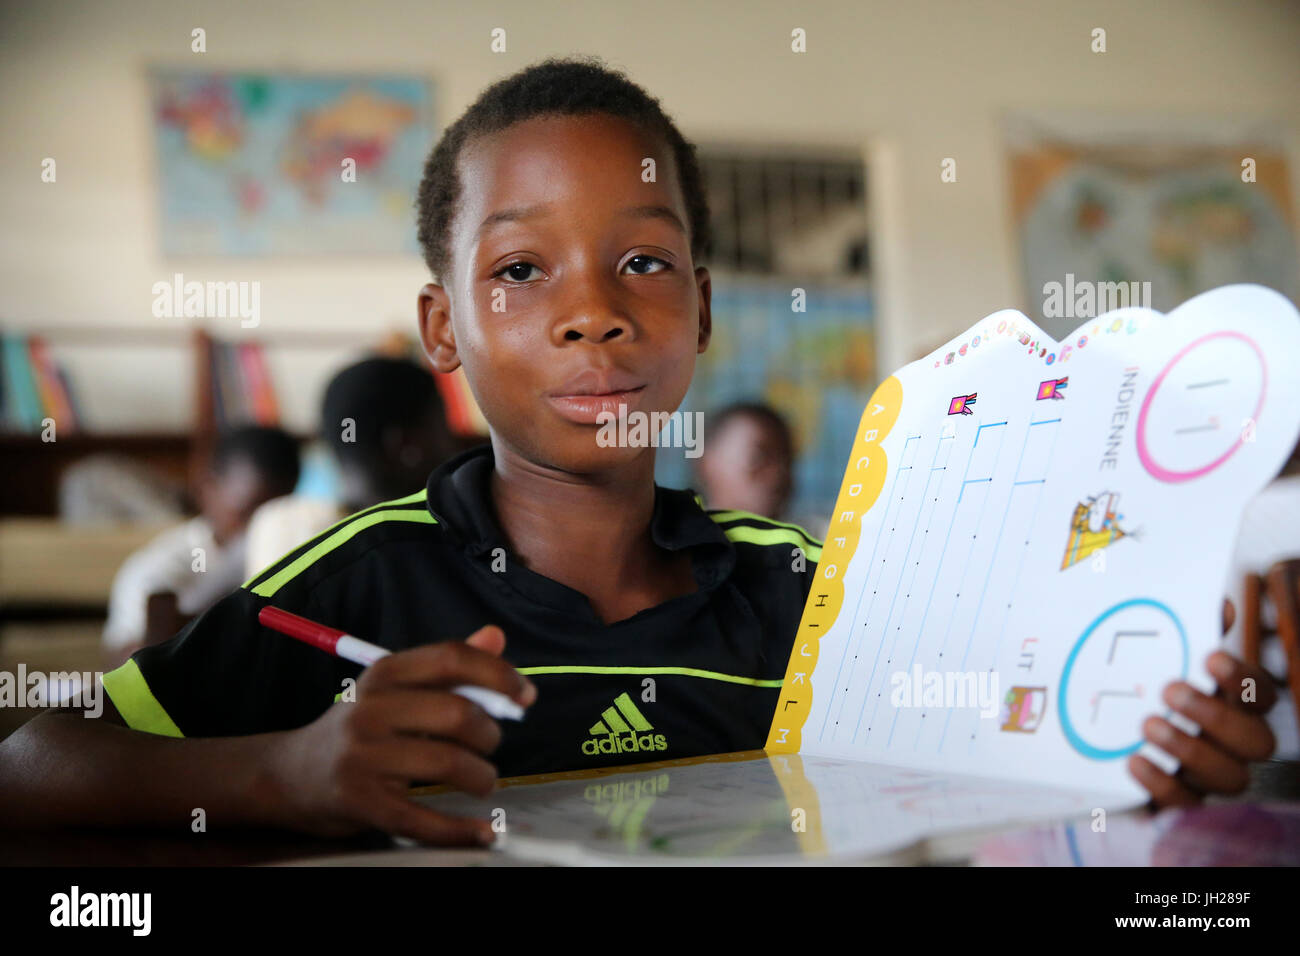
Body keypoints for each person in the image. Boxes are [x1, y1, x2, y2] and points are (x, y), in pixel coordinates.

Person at [0, 57, 1276, 846]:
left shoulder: (809, 594)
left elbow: (997, 774)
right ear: (443, 329)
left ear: (702, 310)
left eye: (645, 261)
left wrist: (1146, 757)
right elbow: (31, 761)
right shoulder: (349, 586)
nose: (592, 309)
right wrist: (289, 771)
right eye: (518, 269)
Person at [100, 425, 300, 666]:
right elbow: (123, 659)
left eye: (278, 515)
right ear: (207, 487)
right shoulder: (156, 569)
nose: (263, 530)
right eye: (248, 515)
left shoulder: (293, 548)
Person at [242, 355, 457, 578]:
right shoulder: (426, 547)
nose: (454, 447)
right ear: (406, 445)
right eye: (443, 431)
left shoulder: (279, 522)